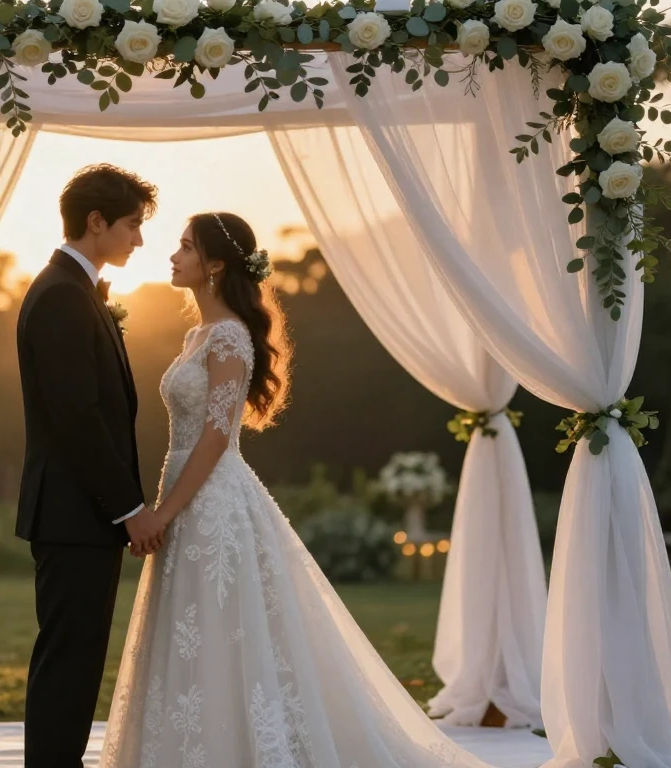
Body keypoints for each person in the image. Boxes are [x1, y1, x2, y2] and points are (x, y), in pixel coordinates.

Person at [97, 212, 490, 768]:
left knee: (220, 621)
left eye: (185, 247)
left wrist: (163, 512)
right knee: (191, 626)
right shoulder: (196, 335)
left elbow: (214, 437)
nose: (173, 255)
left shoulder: (230, 335)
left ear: (214, 264)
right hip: (184, 491)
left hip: (210, 497)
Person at [14, 164, 168, 768]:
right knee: (69, 658)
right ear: (96, 221)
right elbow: (77, 419)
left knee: (77, 657)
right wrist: (129, 509)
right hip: (72, 513)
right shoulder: (59, 297)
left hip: (80, 515)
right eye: (131, 225)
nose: (139, 239)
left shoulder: (77, 292)